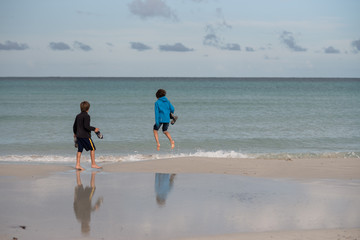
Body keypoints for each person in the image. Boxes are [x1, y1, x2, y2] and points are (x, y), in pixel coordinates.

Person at [73, 101, 102, 170]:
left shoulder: (78, 116)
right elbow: (86, 126)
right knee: (92, 148)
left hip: (79, 136)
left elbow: (74, 126)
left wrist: (75, 133)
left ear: (81, 108)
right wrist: (94, 129)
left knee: (79, 150)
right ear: (88, 108)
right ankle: (93, 164)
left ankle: (77, 165)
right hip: (85, 136)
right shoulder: (87, 116)